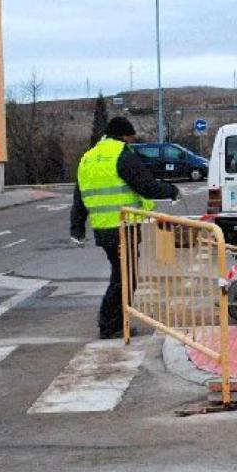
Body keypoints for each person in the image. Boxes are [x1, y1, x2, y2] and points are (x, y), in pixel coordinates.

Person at [70, 117, 179, 339]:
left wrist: (77, 229)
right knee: (125, 277)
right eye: (131, 136)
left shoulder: (88, 158)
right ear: (123, 135)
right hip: (123, 227)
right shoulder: (122, 154)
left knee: (122, 274)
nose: (132, 140)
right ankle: (110, 324)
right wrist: (171, 190)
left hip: (103, 228)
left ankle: (115, 322)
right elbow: (146, 186)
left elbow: (79, 197)